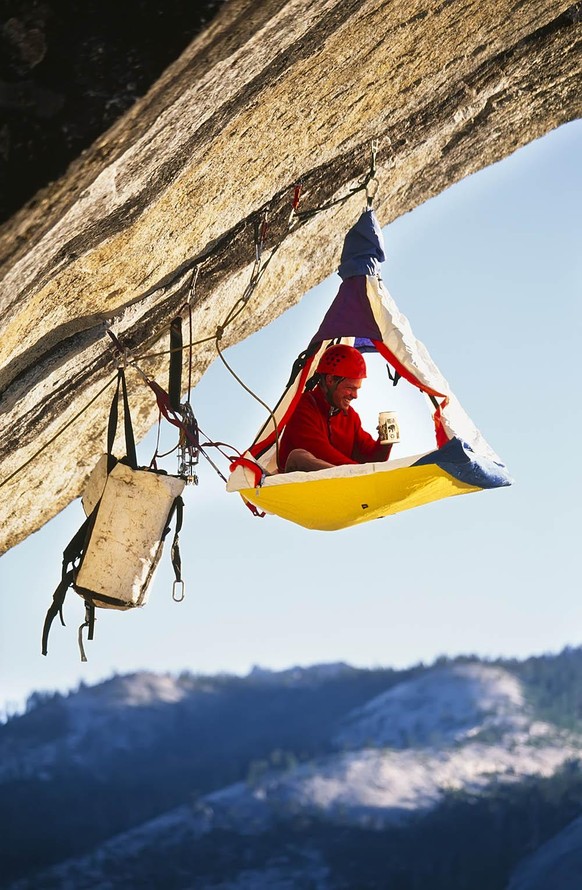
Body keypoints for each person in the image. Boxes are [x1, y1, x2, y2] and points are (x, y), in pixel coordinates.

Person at [278, 344, 393, 473]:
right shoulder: (303, 407)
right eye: (350, 388)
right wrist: (361, 473)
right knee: (299, 457)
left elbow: (371, 459)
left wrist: (385, 442)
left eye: (357, 389)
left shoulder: (351, 417)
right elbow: (322, 453)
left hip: (342, 485)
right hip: (296, 486)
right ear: (330, 380)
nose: (355, 396)